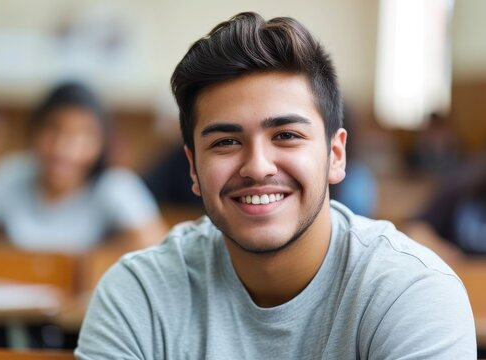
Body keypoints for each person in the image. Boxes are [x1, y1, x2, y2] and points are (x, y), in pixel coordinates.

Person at [76, 12, 475, 359]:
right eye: (226, 142)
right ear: (193, 169)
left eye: (286, 135)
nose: (257, 167)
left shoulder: (411, 293)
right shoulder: (140, 293)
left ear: (336, 155)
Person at [0, 82, 166, 253]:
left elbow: (154, 245)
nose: (64, 148)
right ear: (34, 132)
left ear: (101, 142)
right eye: (53, 130)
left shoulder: (114, 184)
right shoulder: (12, 174)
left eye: (82, 135)